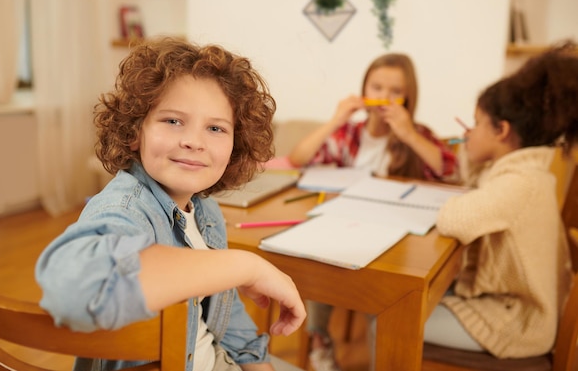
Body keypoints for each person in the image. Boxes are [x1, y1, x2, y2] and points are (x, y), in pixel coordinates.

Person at [35, 37, 306, 371]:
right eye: (173, 121)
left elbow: (224, 307)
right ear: (135, 132)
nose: (193, 141)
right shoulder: (125, 209)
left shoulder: (205, 211)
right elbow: (76, 289)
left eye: (216, 128)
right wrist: (246, 266)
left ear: (235, 145)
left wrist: (256, 362)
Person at [287, 53, 459, 371]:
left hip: (398, 236)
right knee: (316, 261)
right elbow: (298, 158)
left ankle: (380, 357)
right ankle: (319, 342)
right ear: (363, 88)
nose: (384, 98)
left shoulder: (416, 133)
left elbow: (449, 170)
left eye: (396, 92)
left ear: (408, 98)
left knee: (383, 294)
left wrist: (409, 134)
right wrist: (336, 119)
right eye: (376, 87)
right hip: (347, 228)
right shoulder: (349, 134)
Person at [424, 41, 578, 358]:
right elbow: (476, 186)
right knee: (419, 298)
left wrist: (461, 189)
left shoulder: (520, 183)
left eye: (477, 122)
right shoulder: (525, 170)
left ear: (501, 131)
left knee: (385, 320)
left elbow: (455, 219)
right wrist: (473, 152)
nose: (468, 132)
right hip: (511, 305)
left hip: (517, 323)